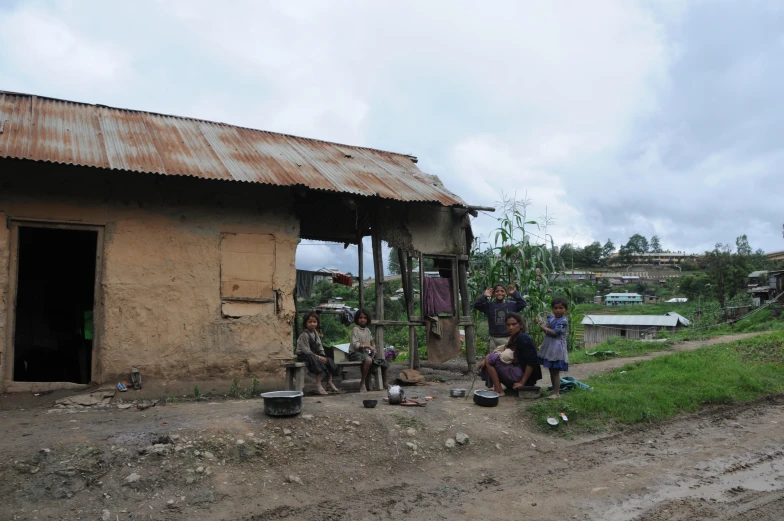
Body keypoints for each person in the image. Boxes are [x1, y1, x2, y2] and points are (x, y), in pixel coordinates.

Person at [480, 312, 541, 397]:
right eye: (508, 325)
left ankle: (499, 390)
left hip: (524, 377)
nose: (510, 327)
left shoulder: (523, 338)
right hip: (518, 372)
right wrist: (485, 360)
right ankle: (503, 387)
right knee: (489, 359)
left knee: (489, 358)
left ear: (521, 325)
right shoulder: (514, 338)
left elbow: (532, 361)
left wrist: (522, 382)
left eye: (513, 324)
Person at [473, 284, 527, 372]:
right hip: (494, 338)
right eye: (497, 291)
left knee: (509, 359)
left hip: (508, 338)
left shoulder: (511, 305)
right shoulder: (489, 305)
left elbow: (523, 304)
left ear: (506, 293)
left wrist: (514, 293)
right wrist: (484, 295)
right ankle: (495, 382)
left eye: (502, 291)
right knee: (492, 361)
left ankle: (510, 378)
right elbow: (476, 305)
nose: (499, 293)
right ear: (493, 294)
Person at [296, 311, 340, 395]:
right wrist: (319, 357)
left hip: (313, 355)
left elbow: (319, 345)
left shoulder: (315, 333)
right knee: (317, 361)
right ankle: (319, 385)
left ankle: (329, 382)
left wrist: (322, 354)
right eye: (310, 322)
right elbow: (306, 350)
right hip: (304, 355)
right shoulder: (304, 335)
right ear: (305, 323)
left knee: (328, 360)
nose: (312, 324)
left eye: (314, 322)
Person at [536, 297, 569, 400]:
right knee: (551, 370)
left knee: (555, 371)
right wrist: (541, 324)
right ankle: (555, 390)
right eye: (555, 308)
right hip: (550, 346)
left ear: (565, 309)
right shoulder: (551, 318)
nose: (558, 310)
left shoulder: (563, 321)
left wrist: (542, 326)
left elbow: (554, 333)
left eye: (561, 308)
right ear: (552, 308)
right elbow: (546, 328)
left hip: (557, 348)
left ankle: (556, 393)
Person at [349, 309, 375, 393]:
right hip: (355, 354)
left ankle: (384, 384)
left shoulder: (368, 330)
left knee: (382, 361)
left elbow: (372, 342)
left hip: (365, 354)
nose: (362, 319)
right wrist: (367, 346)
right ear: (357, 319)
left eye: (365, 318)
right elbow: (355, 345)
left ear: (367, 319)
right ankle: (362, 382)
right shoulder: (355, 329)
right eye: (360, 317)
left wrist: (374, 349)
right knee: (368, 360)